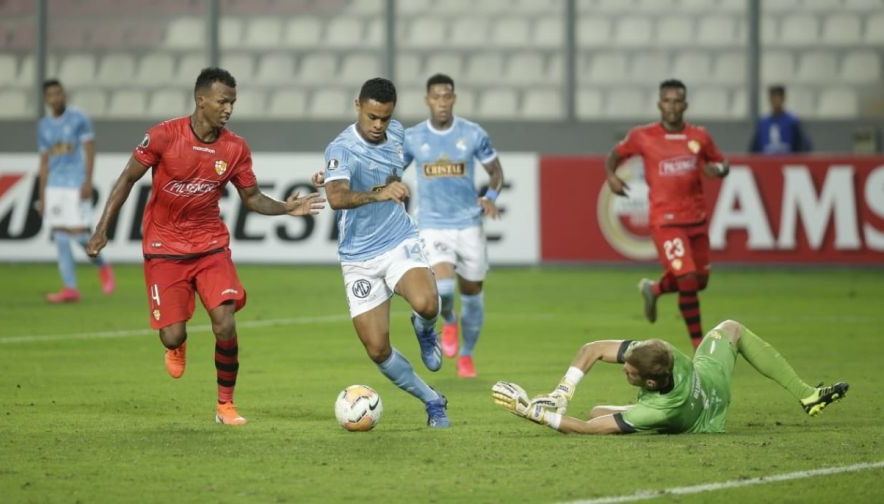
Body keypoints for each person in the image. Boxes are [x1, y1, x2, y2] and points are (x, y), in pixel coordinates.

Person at [86, 68, 324, 426]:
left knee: (225, 323)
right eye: (222, 101)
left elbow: (252, 198)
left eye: (233, 103)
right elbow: (127, 179)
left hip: (210, 246)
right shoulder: (164, 136)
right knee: (172, 334)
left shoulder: (235, 148)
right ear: (201, 100)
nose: (228, 109)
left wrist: (286, 208)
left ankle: (225, 405)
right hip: (164, 248)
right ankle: (176, 344)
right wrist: (101, 229)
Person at [311, 77, 450, 428]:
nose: (378, 125)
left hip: (397, 239)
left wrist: (383, 184)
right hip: (358, 257)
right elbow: (336, 198)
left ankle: (425, 328)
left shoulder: (397, 133)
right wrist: (349, 182)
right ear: (357, 106)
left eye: (384, 118)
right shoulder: (341, 149)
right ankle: (433, 401)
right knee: (377, 349)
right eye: (372, 117)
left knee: (427, 303)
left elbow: (391, 166)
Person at [491, 319, 849, 434]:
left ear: (649, 383)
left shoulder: (657, 410)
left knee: (597, 415)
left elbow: (584, 429)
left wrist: (532, 412)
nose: (623, 369)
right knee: (731, 328)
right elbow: (594, 349)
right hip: (711, 378)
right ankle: (806, 393)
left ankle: (805, 393)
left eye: (629, 371)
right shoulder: (661, 352)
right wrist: (561, 393)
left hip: (703, 418)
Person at [605, 79, 729, 350]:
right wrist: (612, 176)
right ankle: (700, 348)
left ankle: (654, 289)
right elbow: (615, 154)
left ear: (685, 105)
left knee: (699, 281)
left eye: (677, 101)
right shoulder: (643, 136)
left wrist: (718, 170)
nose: (672, 106)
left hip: (696, 218)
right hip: (666, 221)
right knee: (687, 279)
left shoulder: (699, 137)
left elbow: (722, 162)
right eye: (667, 101)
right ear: (659, 104)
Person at [401, 73, 505, 379]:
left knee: (472, 293)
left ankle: (467, 355)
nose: (442, 102)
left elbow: (496, 172)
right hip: (432, 224)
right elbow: (393, 171)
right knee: (444, 289)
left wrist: (491, 197)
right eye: (436, 97)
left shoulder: (472, 133)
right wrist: (391, 189)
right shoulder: (413, 137)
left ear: (454, 99)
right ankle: (448, 319)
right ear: (427, 100)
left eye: (447, 96)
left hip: (469, 224)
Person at [37, 79, 115, 303]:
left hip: (75, 183)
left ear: (64, 94)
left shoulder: (79, 118)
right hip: (54, 185)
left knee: (80, 235)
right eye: (51, 95)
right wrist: (42, 195)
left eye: (58, 93)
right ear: (46, 99)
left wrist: (87, 181)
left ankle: (103, 265)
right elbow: (44, 162)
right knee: (60, 237)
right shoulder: (43, 126)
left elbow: (89, 150)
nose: (55, 98)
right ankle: (70, 288)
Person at [749, 85, 812, 154]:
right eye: (773, 98)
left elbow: (803, 145)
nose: (775, 101)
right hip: (768, 160)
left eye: (777, 98)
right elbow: (754, 149)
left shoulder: (792, 121)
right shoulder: (763, 123)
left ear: (783, 99)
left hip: (787, 160)